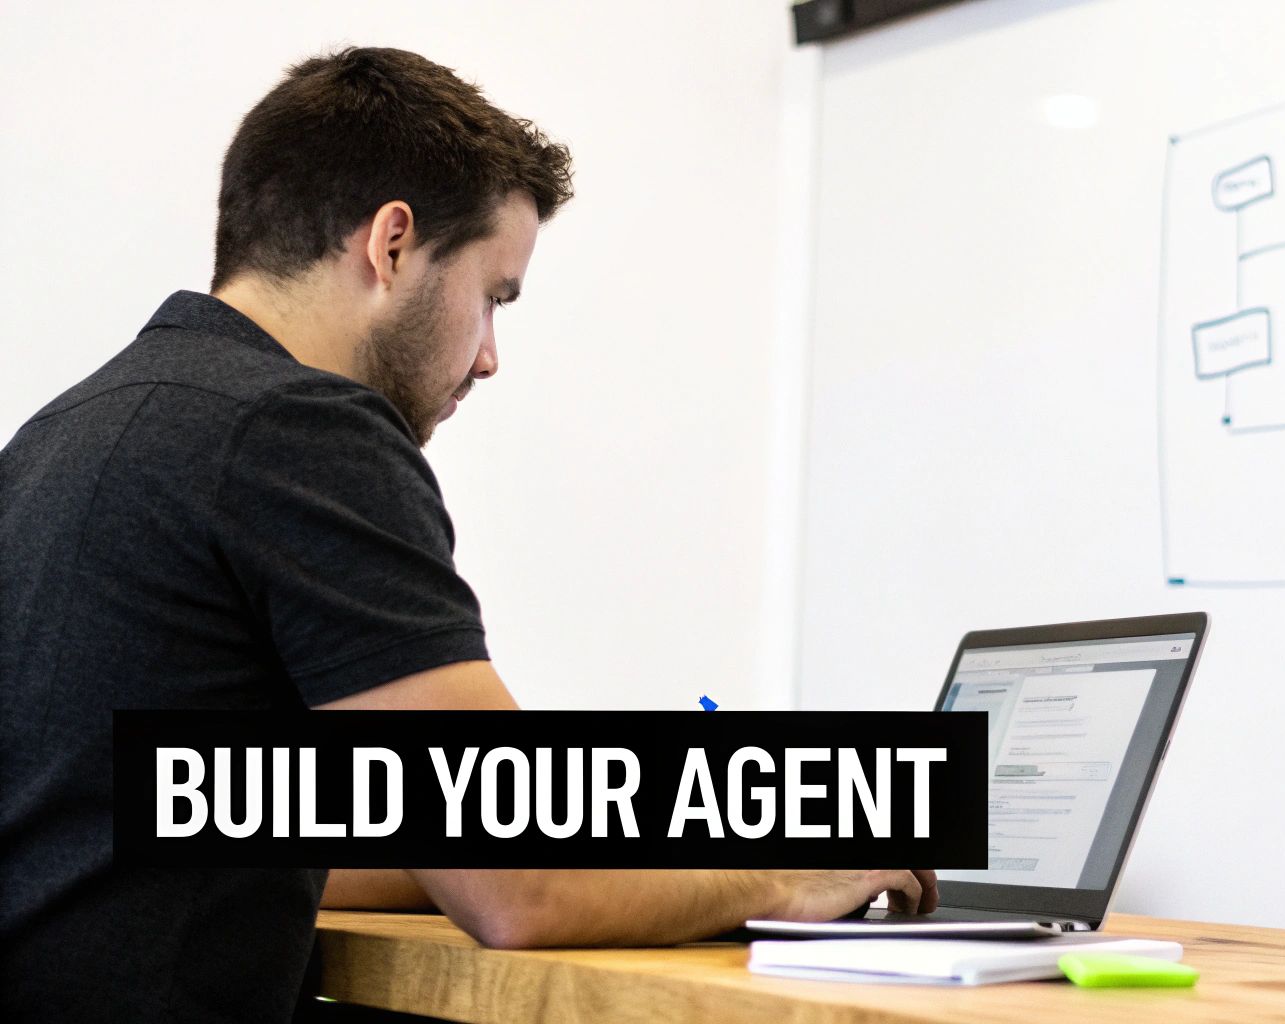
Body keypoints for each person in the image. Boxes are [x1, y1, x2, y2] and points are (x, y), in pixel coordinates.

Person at [0, 47, 934, 1024]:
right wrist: (788, 874)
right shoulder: (299, 430)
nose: (488, 357)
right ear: (392, 243)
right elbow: (519, 890)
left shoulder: (69, 431)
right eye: (492, 293)